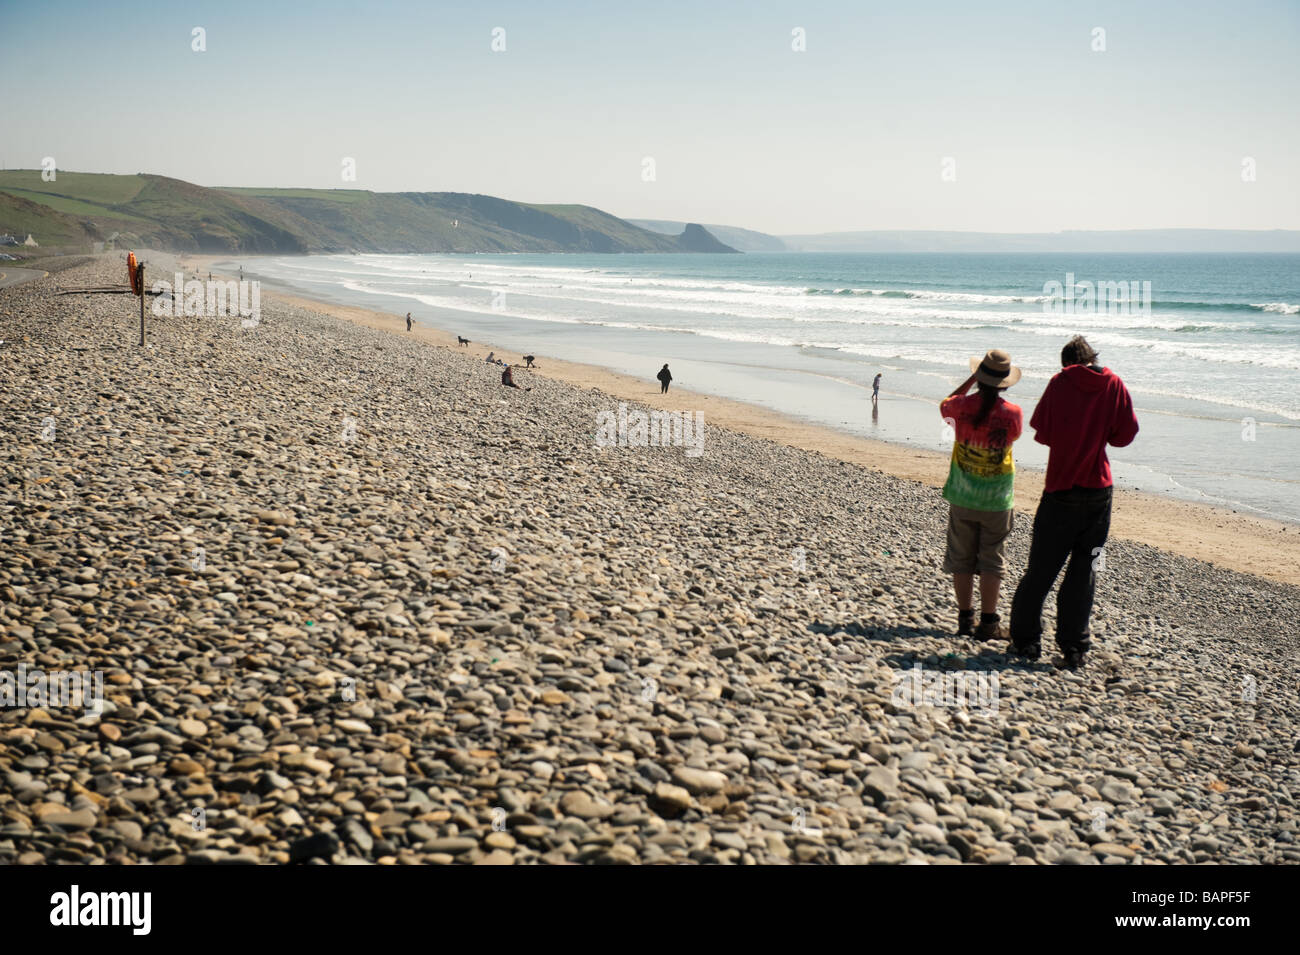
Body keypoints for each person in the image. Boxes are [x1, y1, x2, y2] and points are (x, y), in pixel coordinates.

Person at [1009, 335, 1139, 669]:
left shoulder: (1060, 382)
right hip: (1098, 490)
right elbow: (1124, 436)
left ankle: (1026, 642)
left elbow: (1043, 433)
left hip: (1061, 488)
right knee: (1085, 572)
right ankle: (1074, 648)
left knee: (1040, 570)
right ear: (1093, 357)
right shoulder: (1114, 384)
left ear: (1067, 362)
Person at [939, 349, 1024, 641]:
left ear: (979, 378)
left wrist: (969, 382)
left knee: (961, 558)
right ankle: (988, 623)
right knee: (992, 559)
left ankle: (965, 619)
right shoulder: (1012, 414)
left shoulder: (961, 407)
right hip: (997, 498)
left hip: (963, 494)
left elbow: (945, 405)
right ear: (1005, 383)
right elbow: (1013, 437)